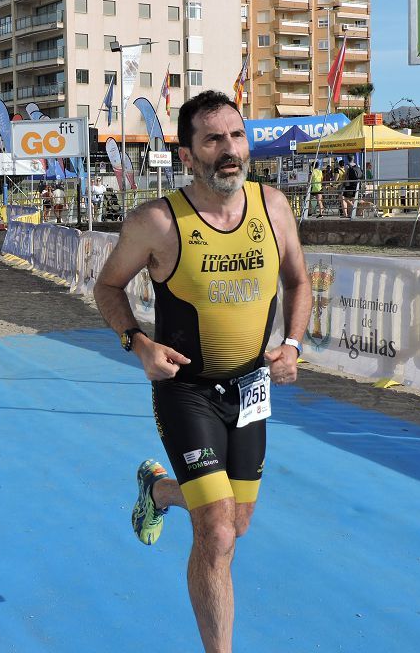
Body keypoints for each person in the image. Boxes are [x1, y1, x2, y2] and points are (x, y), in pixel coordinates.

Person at [93, 90, 310, 653]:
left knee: (235, 525)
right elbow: (107, 285)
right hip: (186, 389)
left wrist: (291, 344)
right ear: (187, 154)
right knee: (214, 532)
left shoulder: (273, 207)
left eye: (236, 136)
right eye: (213, 139)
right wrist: (136, 341)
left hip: (252, 388)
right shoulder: (158, 222)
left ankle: (158, 491)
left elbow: (299, 282)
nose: (229, 150)